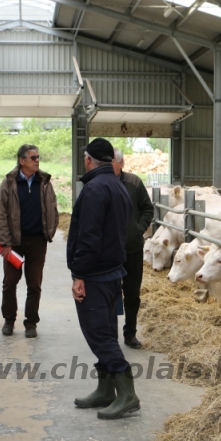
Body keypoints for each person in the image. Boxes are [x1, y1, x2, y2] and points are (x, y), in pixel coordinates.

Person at [68, 138, 138, 420]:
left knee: (99, 334)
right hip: (112, 273)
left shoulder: (95, 189)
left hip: (96, 274)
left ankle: (128, 394)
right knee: (107, 331)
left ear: (88, 160)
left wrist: (79, 274)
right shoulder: (118, 186)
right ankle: (106, 390)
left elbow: (89, 236)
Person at [0, 144, 59, 339]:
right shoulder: (9, 182)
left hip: (38, 241)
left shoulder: (45, 182)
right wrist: (5, 242)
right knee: (10, 283)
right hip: (14, 243)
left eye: (38, 157)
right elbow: (1, 213)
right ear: (22, 161)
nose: (37, 160)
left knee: (34, 284)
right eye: (33, 158)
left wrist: (50, 230)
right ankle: (9, 320)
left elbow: (53, 208)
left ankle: (31, 323)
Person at [112, 149, 154, 349]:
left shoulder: (134, 182)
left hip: (132, 248)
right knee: (110, 292)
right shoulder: (102, 183)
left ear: (120, 163)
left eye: (111, 161)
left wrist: (138, 229)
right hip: (109, 250)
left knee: (132, 294)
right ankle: (110, 334)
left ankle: (130, 333)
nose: (108, 165)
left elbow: (147, 208)